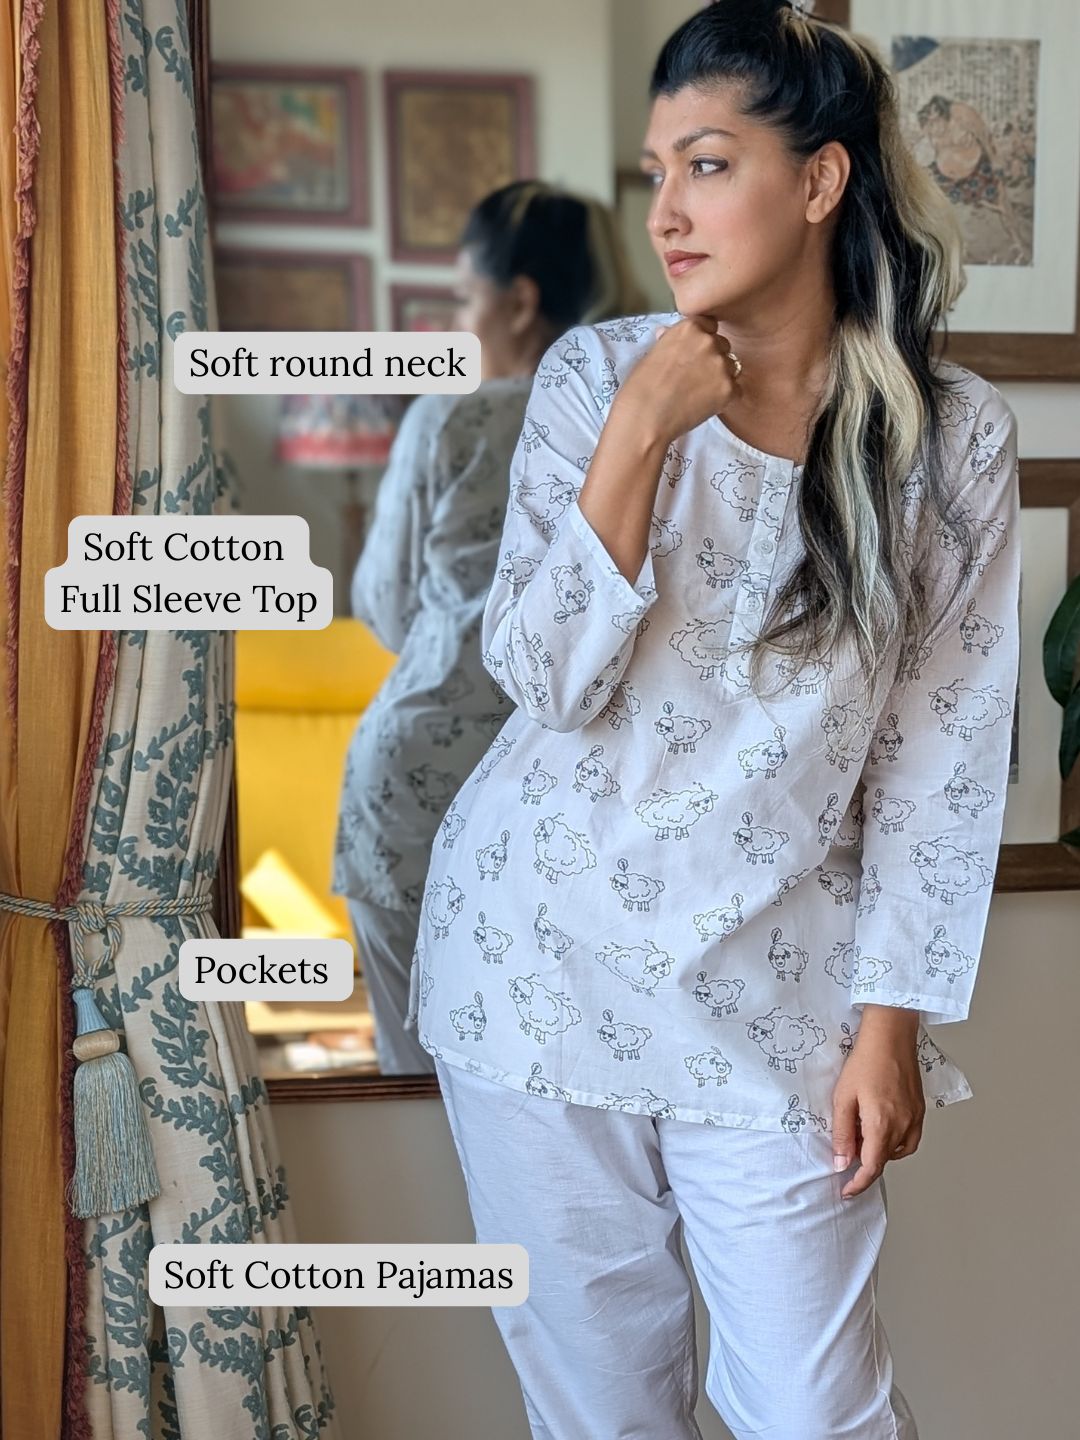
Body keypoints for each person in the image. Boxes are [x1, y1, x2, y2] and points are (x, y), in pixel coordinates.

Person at [407, 3, 1021, 1436]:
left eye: (707, 163)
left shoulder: (950, 439)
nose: (668, 214)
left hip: (780, 996)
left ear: (818, 181)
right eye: (657, 174)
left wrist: (891, 1026)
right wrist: (640, 427)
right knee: (605, 1417)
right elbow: (544, 678)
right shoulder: (591, 378)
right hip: (538, 973)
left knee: (816, 1414)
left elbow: (940, 757)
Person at [331, 180, 648, 1075]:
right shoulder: (648, 425)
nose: (457, 324)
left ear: (518, 301)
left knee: (415, 1087)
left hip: (418, 783)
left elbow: (387, 607)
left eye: (465, 300)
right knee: (556, 1085)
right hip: (581, 804)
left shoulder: (452, 417)